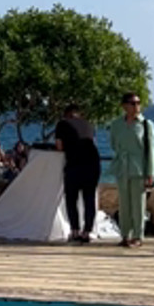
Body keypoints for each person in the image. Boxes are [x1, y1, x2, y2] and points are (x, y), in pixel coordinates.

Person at [109, 92, 154, 248]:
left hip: (139, 168)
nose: (136, 106)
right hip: (123, 167)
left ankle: (138, 236)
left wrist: (151, 172)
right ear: (124, 106)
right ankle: (125, 235)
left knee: (138, 204)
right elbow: (114, 143)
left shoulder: (145, 124)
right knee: (124, 204)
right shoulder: (116, 124)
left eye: (138, 103)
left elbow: (151, 150)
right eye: (132, 103)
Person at [55, 104, 101, 243]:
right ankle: (87, 231)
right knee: (89, 199)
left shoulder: (62, 124)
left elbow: (59, 146)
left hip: (74, 164)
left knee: (71, 199)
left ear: (66, 114)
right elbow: (93, 142)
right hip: (92, 164)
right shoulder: (89, 124)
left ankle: (75, 231)